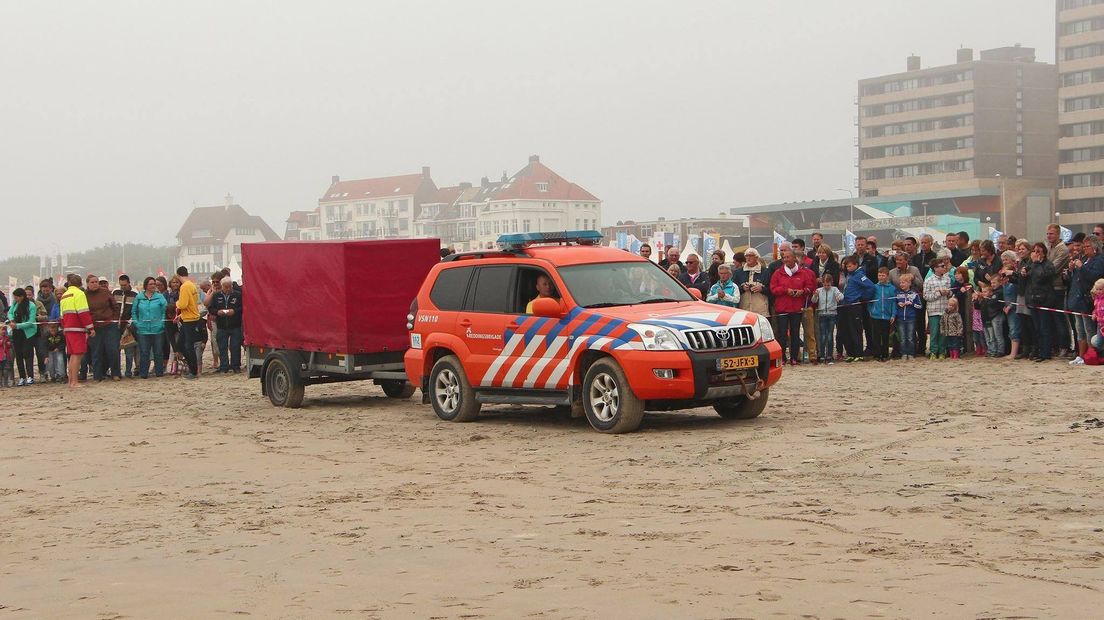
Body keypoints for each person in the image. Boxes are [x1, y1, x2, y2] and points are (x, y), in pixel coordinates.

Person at [769, 249, 815, 365]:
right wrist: (785, 290)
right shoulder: (778, 273)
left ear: (794, 258)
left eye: (788, 257)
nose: (786, 260)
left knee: (795, 333)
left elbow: (810, 287)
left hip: (796, 308)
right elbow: (773, 289)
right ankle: (782, 357)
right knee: (782, 334)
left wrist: (802, 291)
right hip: (782, 308)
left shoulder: (803, 273)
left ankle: (794, 357)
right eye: (784, 257)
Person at [1067, 235, 1104, 365]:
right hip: (1077, 299)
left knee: (1089, 330)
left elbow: (1094, 277)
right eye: (1084, 246)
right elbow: (1075, 279)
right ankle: (1081, 355)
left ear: (1095, 248)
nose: (1084, 249)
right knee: (1079, 330)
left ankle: (1091, 355)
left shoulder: (1099, 260)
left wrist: (1081, 267)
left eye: (1088, 247)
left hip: (1088, 299)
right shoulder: (1083, 259)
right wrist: (1071, 270)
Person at [1023, 242, 1058, 362]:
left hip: (1045, 299)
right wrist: (1023, 272)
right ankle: (1038, 351)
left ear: (1044, 253)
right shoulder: (1031, 264)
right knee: (1036, 328)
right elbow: (1025, 277)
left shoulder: (1048, 264)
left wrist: (1037, 263)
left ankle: (1045, 352)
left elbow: (1041, 277)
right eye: (1034, 251)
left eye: (1039, 251)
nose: (1036, 254)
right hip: (1033, 299)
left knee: (1044, 328)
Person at [59, 274, 94, 389]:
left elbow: (61, 315)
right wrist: (90, 328)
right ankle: (74, 382)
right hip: (77, 328)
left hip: (68, 328)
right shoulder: (79, 294)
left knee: (72, 355)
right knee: (77, 355)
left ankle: (71, 381)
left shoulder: (64, 296)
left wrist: (64, 327)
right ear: (80, 284)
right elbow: (83, 312)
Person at [1044, 224, 1072, 357]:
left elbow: (1052, 269)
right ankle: (1055, 346)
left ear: (1058, 234)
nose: (1049, 236)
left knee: (1059, 318)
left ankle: (1064, 346)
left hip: (1058, 288)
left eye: (1052, 234)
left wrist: (1041, 268)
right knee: (1050, 319)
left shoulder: (1062, 249)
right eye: (1048, 233)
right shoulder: (1049, 247)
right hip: (1048, 288)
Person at [839, 256, 874, 361]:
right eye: (846, 266)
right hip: (845, 304)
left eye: (850, 266)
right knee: (846, 330)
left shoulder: (860, 275)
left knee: (855, 329)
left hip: (854, 305)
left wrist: (863, 298)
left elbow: (871, 286)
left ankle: (858, 353)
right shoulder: (849, 275)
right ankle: (850, 353)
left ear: (855, 265)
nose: (848, 268)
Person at [87, 275, 121, 381]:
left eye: (96, 282)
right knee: (96, 351)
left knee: (112, 350)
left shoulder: (106, 292)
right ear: (87, 284)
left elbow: (115, 307)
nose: (95, 284)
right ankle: (97, 375)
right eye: (92, 282)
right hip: (94, 327)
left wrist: (114, 320)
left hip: (109, 325)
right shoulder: (84, 295)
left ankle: (116, 373)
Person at [6, 288, 38, 385]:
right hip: (16, 333)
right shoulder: (15, 304)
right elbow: (10, 312)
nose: (15, 300)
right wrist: (12, 320)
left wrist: (18, 326)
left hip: (28, 333)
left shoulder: (31, 306)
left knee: (27, 354)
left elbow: (31, 321)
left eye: (17, 298)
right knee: (19, 355)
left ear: (22, 297)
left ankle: (30, 376)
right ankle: (22, 377)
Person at [175, 266, 202, 379]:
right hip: (190, 317)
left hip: (189, 320)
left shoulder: (185, 287)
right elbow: (193, 303)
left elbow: (183, 304)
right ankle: (192, 368)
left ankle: (193, 371)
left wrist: (176, 304)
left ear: (178, 275)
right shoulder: (192, 285)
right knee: (181, 344)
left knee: (188, 345)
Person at [924, 258, 953, 360]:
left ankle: (942, 352)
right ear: (935, 268)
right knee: (934, 332)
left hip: (944, 309)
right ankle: (933, 352)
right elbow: (926, 297)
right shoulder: (928, 281)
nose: (944, 268)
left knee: (943, 333)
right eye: (942, 266)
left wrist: (948, 293)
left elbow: (951, 293)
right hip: (933, 310)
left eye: (944, 266)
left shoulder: (948, 279)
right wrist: (939, 293)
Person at [813, 273, 843, 364]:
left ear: (831, 283)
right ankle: (822, 355)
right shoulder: (819, 290)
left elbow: (841, 295)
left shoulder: (834, 289)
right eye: (825, 285)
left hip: (832, 314)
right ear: (822, 283)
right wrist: (815, 295)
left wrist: (839, 297)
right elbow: (813, 301)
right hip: (822, 314)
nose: (826, 286)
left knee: (830, 335)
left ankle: (829, 355)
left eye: (828, 285)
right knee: (822, 336)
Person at [868, 267, 896, 362]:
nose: (881, 277)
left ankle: (884, 353)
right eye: (879, 275)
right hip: (876, 315)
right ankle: (877, 354)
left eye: (883, 275)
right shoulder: (874, 287)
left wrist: (893, 315)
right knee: (876, 335)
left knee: (885, 336)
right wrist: (871, 311)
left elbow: (893, 302)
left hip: (887, 316)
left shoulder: (892, 288)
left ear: (887, 276)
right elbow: (870, 301)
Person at [113, 275, 139, 378]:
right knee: (116, 350)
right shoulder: (115, 293)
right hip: (116, 326)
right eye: (121, 285)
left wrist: (130, 322)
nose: (122, 287)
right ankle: (117, 372)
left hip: (128, 326)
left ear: (129, 283)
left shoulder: (135, 294)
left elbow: (136, 310)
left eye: (124, 285)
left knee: (129, 350)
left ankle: (128, 372)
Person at [895, 273, 923, 360]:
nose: (901, 284)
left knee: (910, 337)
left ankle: (911, 353)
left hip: (911, 318)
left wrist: (912, 304)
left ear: (909, 283)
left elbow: (920, 306)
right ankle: (904, 353)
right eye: (900, 283)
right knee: (902, 338)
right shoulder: (898, 294)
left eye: (903, 282)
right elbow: (894, 305)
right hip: (900, 318)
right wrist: (898, 304)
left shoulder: (914, 294)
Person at [735, 248, 769, 316]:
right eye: (746, 256)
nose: (748, 258)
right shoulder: (738, 272)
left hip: (761, 309)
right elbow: (733, 288)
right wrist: (742, 288)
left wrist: (762, 289)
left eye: (751, 256)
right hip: (743, 308)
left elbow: (771, 289)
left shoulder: (765, 272)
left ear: (756, 257)